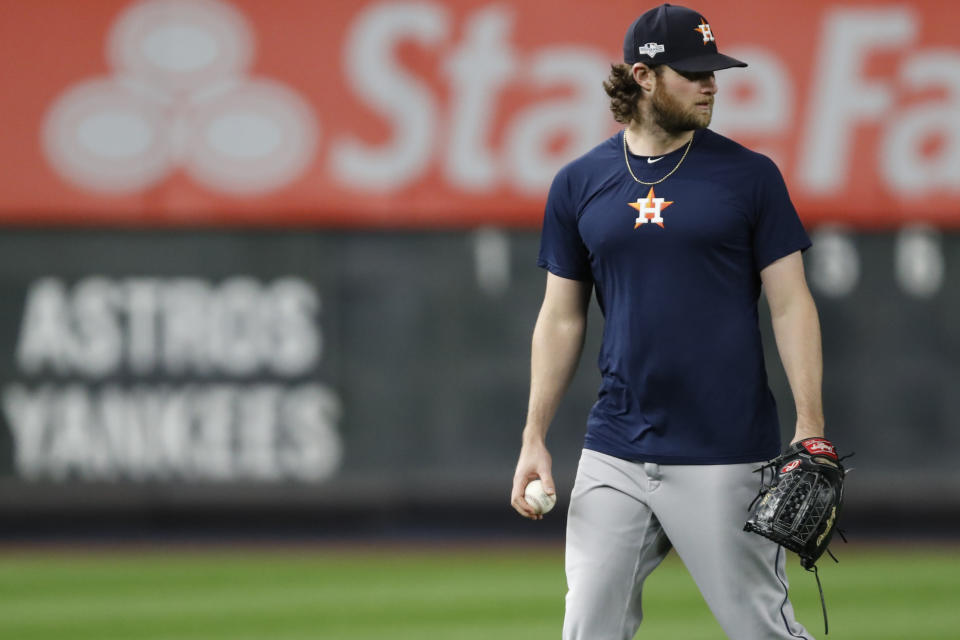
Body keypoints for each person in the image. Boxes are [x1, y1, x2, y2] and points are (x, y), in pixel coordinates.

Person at [509, 4, 827, 639]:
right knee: (588, 628)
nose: (712, 83)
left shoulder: (749, 176)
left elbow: (791, 303)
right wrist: (534, 436)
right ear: (644, 76)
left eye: (716, 70)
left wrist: (810, 426)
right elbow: (561, 317)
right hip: (616, 448)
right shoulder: (579, 183)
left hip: (725, 452)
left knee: (762, 630)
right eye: (694, 71)